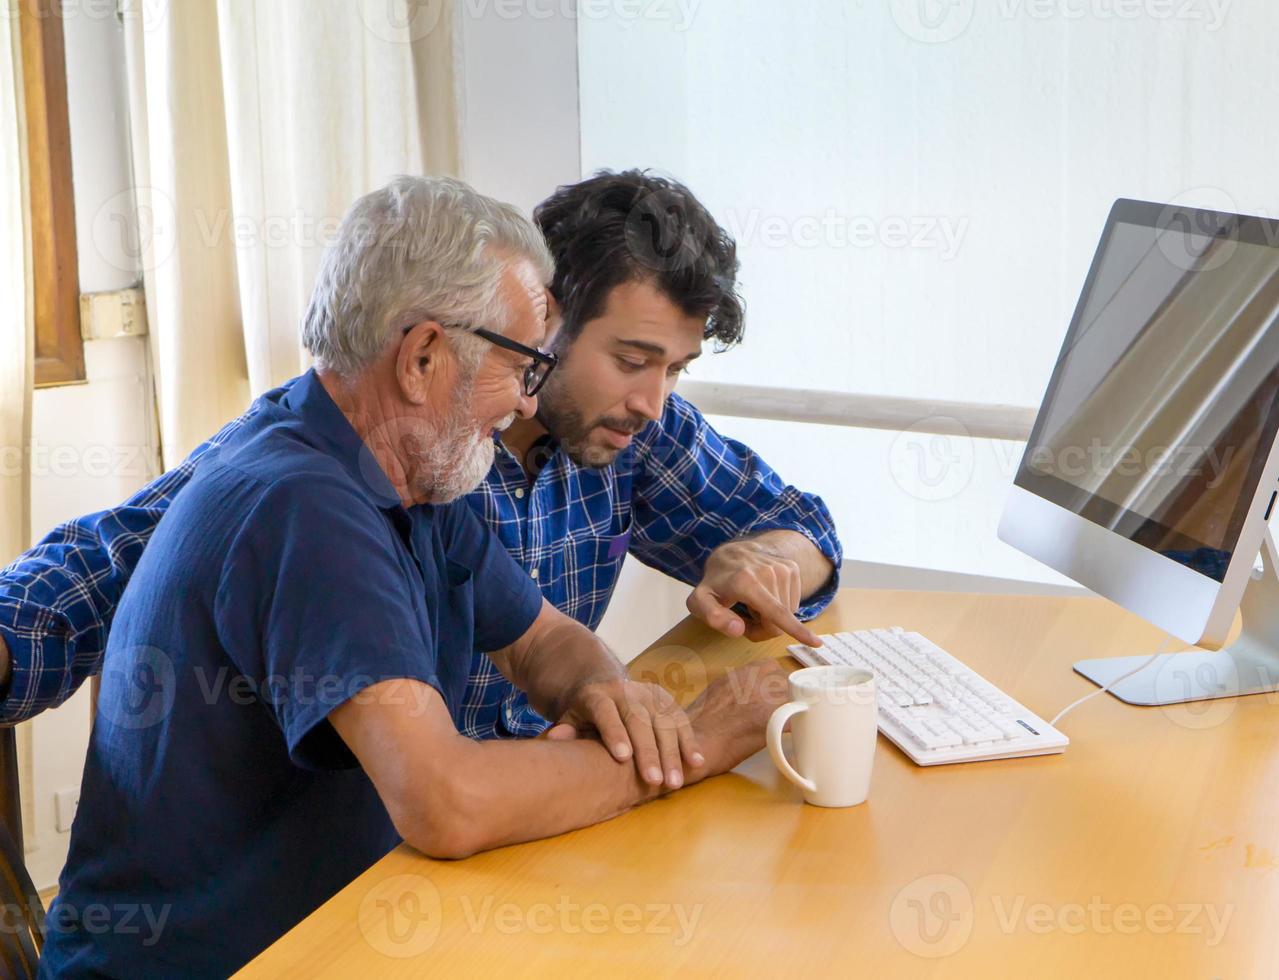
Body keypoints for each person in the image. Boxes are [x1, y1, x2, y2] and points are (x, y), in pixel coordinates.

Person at [39, 176, 786, 976]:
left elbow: (540, 641)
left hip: (353, 932)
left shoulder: (417, 473)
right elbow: (445, 802)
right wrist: (690, 748)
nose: (527, 398)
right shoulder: (306, 506)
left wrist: (615, 699)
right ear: (424, 356)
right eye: (525, 366)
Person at [0, 170, 841, 738]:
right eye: (631, 360)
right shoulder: (380, 451)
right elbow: (116, 557)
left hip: (526, 822)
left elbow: (802, 528)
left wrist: (765, 562)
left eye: (675, 369)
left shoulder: (634, 432)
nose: (654, 400)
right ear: (546, 319)